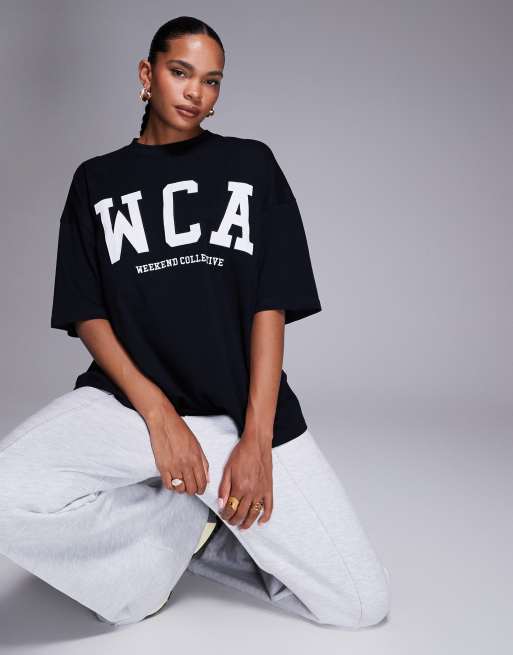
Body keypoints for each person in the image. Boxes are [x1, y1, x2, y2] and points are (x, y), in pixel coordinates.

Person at [0, 16, 391, 628]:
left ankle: (204, 534)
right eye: (180, 72)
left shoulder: (251, 164)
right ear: (147, 73)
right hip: (130, 409)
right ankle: (167, 537)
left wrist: (256, 438)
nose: (195, 93)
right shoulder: (95, 180)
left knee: (361, 605)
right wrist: (158, 413)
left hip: (237, 414)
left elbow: (270, 305)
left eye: (211, 81)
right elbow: (86, 312)